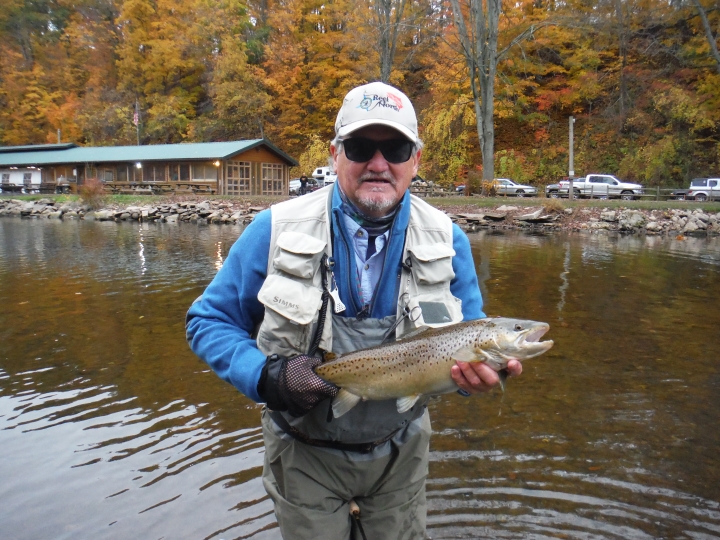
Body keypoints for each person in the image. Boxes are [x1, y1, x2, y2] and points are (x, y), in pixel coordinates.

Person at [185, 81, 522, 540]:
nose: (379, 164)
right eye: (361, 147)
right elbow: (208, 321)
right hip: (302, 453)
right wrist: (265, 377)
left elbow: (467, 339)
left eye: (397, 148)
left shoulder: (448, 241)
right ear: (335, 154)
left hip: (401, 453)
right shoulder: (274, 229)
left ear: (416, 160)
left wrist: (474, 382)